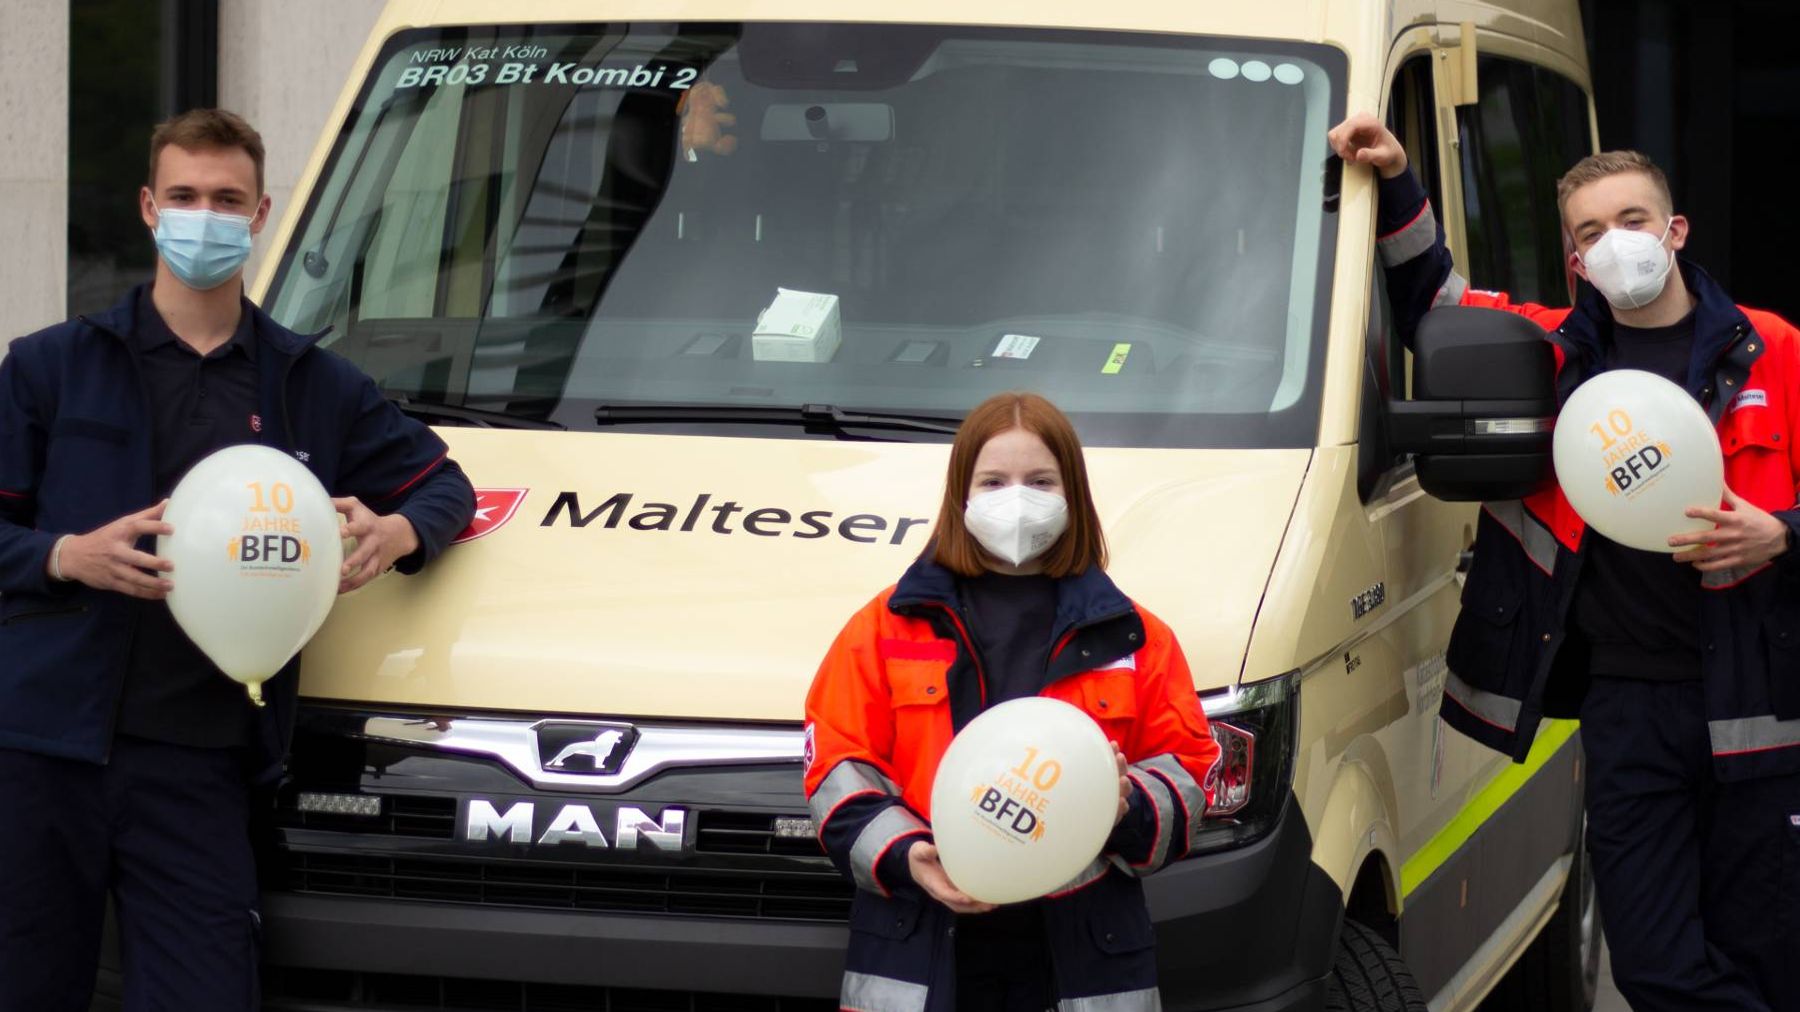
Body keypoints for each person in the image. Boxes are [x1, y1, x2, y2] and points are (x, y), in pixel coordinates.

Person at [0, 108, 475, 1010]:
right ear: (148, 207)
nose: (204, 218)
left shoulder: (309, 383)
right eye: (184, 196)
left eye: (227, 200)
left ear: (260, 218)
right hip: (42, 753)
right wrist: (65, 555)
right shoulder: (52, 368)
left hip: (201, 763)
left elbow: (445, 485)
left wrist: (400, 533)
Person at [1329, 113, 1800, 1011]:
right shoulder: (1549, 354)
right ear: (1575, 260)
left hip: (1762, 700)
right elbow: (1437, 299)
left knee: (1768, 959)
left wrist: (1782, 534)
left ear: (1675, 231)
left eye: (1632, 220)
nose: (1615, 244)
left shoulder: (1773, 349)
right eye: (1590, 233)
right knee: (1654, 964)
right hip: (1629, 705)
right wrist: (1394, 179)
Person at [803, 392, 1219, 1012]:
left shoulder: (1134, 637)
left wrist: (1123, 807)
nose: (1016, 498)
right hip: (922, 945)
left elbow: (1188, 776)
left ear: (1071, 495)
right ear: (960, 495)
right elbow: (834, 769)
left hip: (1079, 957)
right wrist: (910, 857)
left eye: (1040, 481)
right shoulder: (886, 627)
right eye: (994, 480)